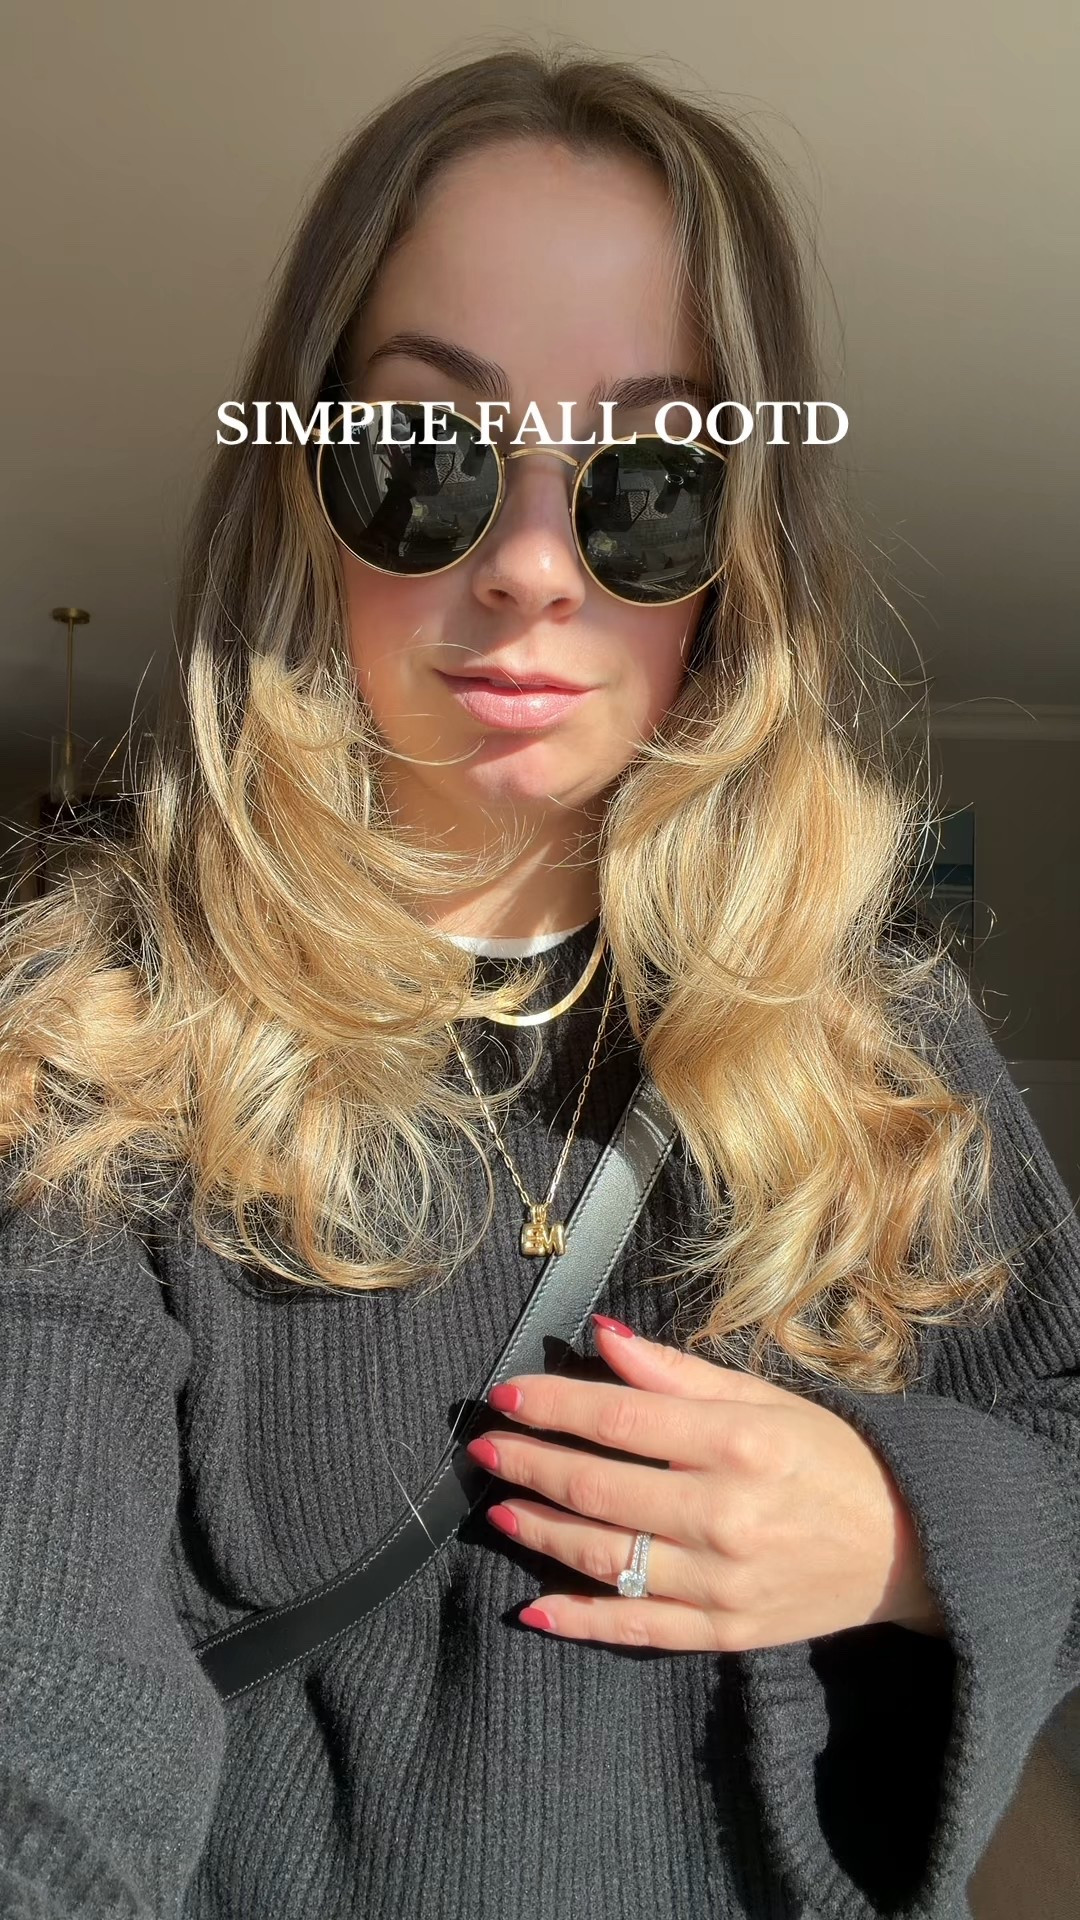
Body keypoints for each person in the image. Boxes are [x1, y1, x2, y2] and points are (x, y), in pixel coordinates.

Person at [1, 43, 1078, 1920]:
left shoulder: (873, 1024)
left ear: (741, 539)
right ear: (301, 487)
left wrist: (908, 1530)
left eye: (647, 480)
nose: (527, 567)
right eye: (426, 455)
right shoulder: (102, 1033)